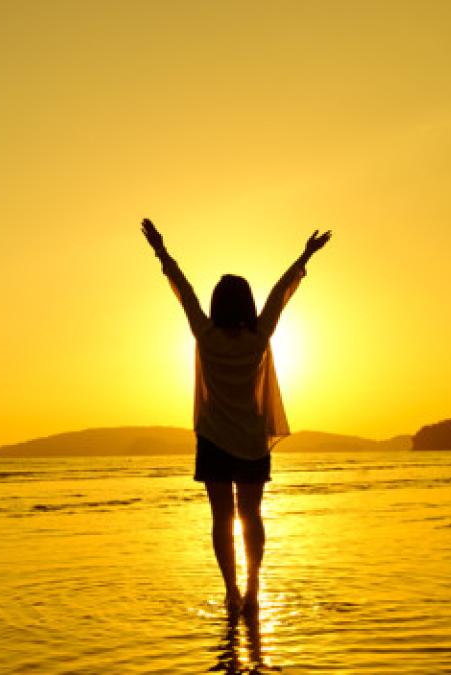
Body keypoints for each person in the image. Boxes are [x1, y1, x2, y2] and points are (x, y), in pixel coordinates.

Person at [140, 217, 331, 615]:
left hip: (213, 441)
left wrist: (160, 249)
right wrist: (305, 255)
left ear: (216, 306)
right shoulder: (259, 337)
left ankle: (230, 591)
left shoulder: (205, 336)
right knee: (251, 515)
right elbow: (281, 295)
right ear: (247, 305)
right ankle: (252, 588)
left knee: (222, 518)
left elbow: (184, 291)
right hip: (249, 441)